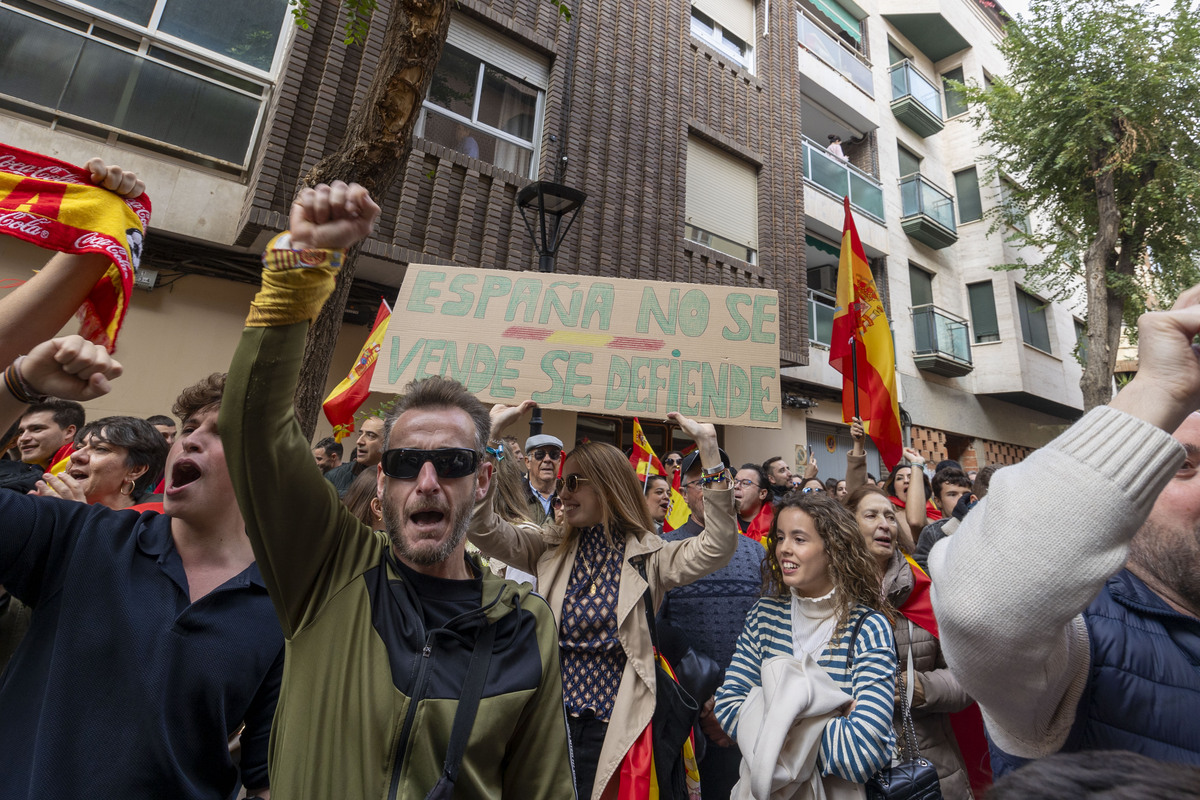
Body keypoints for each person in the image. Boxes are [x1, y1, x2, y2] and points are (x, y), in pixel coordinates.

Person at [221, 181, 574, 797]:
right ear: (382, 478)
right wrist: (300, 271)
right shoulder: (324, 571)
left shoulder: (525, 625)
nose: (429, 483)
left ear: (485, 478)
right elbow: (252, 429)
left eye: (454, 463)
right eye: (407, 462)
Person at [930, 285, 1200, 772]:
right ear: (1128, 483)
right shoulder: (1071, 640)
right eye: (1181, 466)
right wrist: (1159, 386)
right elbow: (980, 609)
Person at [0, 337, 282, 800]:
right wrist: (19, 382)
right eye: (190, 426)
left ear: (267, 466)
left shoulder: (283, 612)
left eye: (223, 431)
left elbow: (266, 780)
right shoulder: (82, 537)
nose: (190, 438)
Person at [471, 402, 737, 800]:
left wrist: (709, 447)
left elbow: (718, 544)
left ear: (607, 486)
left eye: (573, 482)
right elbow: (480, 527)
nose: (563, 493)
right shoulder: (546, 547)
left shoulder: (653, 556)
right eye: (561, 483)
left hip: (618, 732)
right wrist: (487, 439)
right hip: (549, 724)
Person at [713, 492, 897, 790]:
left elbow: (862, 752)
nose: (784, 549)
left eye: (799, 539)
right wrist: (828, 718)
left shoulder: (867, 627)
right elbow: (729, 704)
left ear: (833, 549)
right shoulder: (764, 616)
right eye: (781, 537)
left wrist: (769, 716)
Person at [845, 485, 975, 798]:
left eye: (890, 516)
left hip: (932, 768)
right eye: (872, 515)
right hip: (853, 770)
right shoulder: (827, 598)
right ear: (847, 525)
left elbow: (967, 679)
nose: (885, 524)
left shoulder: (926, 593)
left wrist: (916, 688)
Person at [660, 448, 766, 800]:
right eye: (699, 483)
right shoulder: (664, 550)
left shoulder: (760, 554)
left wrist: (737, 704)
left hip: (751, 715)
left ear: (732, 489)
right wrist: (705, 701)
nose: (708, 490)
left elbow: (772, 636)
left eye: (716, 480)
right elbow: (654, 633)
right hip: (687, 720)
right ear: (686, 493)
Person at [32, 415, 168, 510]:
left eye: (101, 449)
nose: (76, 456)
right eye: (79, 447)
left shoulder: (157, 522)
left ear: (135, 470)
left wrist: (77, 519)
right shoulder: (46, 506)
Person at [912, 468, 975, 573]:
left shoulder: (981, 524)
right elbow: (922, 571)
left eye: (965, 494)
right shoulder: (931, 533)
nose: (961, 499)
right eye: (952, 494)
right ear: (938, 501)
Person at [323, 415, 384, 496]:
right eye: (360, 434)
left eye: (370, 435)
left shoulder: (396, 481)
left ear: (387, 443)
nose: (359, 441)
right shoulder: (333, 477)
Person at [16, 398, 83, 468]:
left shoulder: (86, 474)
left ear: (69, 432)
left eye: (37, 429)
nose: (23, 438)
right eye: (21, 432)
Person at [524, 431, 562, 522]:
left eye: (554, 455)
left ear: (559, 461)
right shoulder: (515, 497)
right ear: (527, 462)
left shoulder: (569, 497)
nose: (547, 460)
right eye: (540, 455)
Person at [733, 462, 773, 545]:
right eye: (735, 482)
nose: (736, 486)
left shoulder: (776, 527)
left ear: (762, 494)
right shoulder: (722, 522)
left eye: (745, 483)